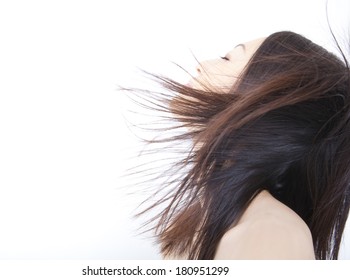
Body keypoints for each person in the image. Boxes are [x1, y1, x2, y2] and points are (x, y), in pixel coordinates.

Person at [131, 31, 350, 260]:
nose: (201, 65)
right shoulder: (186, 231)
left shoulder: (274, 234)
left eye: (227, 59)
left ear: (266, 105)